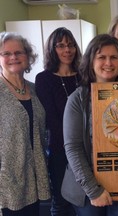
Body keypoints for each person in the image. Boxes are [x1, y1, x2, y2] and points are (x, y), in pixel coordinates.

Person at [61, 34, 118, 216]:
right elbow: (73, 148)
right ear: (91, 62)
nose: (108, 62)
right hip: (86, 187)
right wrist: (94, 190)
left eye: (114, 57)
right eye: (101, 57)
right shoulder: (77, 99)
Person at [0, 31, 50, 215]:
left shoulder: (36, 90)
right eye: (6, 53)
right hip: (7, 182)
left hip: (35, 178)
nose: (13, 57)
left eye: (19, 52)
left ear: (28, 56)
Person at [35, 27, 82, 216]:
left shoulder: (85, 75)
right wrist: (73, 145)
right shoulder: (44, 79)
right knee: (61, 201)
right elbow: (52, 120)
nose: (67, 50)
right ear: (52, 50)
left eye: (70, 45)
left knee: (85, 201)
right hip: (59, 150)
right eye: (61, 46)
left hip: (87, 148)